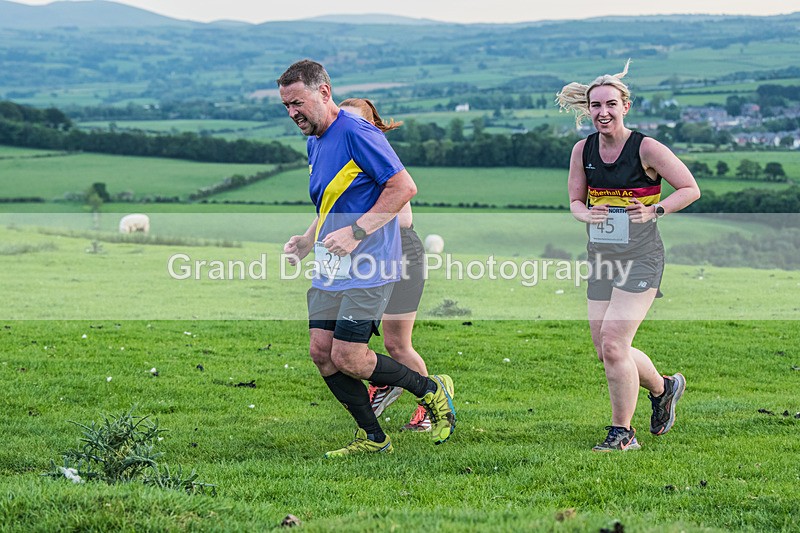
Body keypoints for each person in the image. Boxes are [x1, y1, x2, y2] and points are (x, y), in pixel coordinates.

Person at [277, 60, 455, 457]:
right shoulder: (315, 140)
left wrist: (358, 232)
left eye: (297, 103)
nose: (292, 113)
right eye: (286, 106)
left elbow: (403, 187)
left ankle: (431, 390)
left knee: (349, 356)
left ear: (324, 92)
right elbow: (332, 203)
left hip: (370, 265)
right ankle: (373, 438)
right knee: (322, 353)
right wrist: (309, 240)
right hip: (330, 266)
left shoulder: (356, 131)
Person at [556, 61, 700, 452]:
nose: (603, 112)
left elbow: (690, 188)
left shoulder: (646, 148)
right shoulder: (582, 150)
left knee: (615, 343)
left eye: (611, 104)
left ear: (625, 107)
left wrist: (655, 210)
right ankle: (664, 387)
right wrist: (586, 213)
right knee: (605, 348)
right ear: (588, 110)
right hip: (602, 256)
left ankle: (623, 433)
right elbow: (574, 200)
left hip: (642, 257)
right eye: (595, 105)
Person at [338, 97, 431, 432]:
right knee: (351, 342)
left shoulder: (377, 156)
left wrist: (358, 230)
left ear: (369, 127)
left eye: (352, 123)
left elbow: (402, 217)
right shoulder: (345, 160)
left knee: (397, 343)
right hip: (367, 255)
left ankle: (432, 403)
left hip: (402, 253)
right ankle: (386, 382)